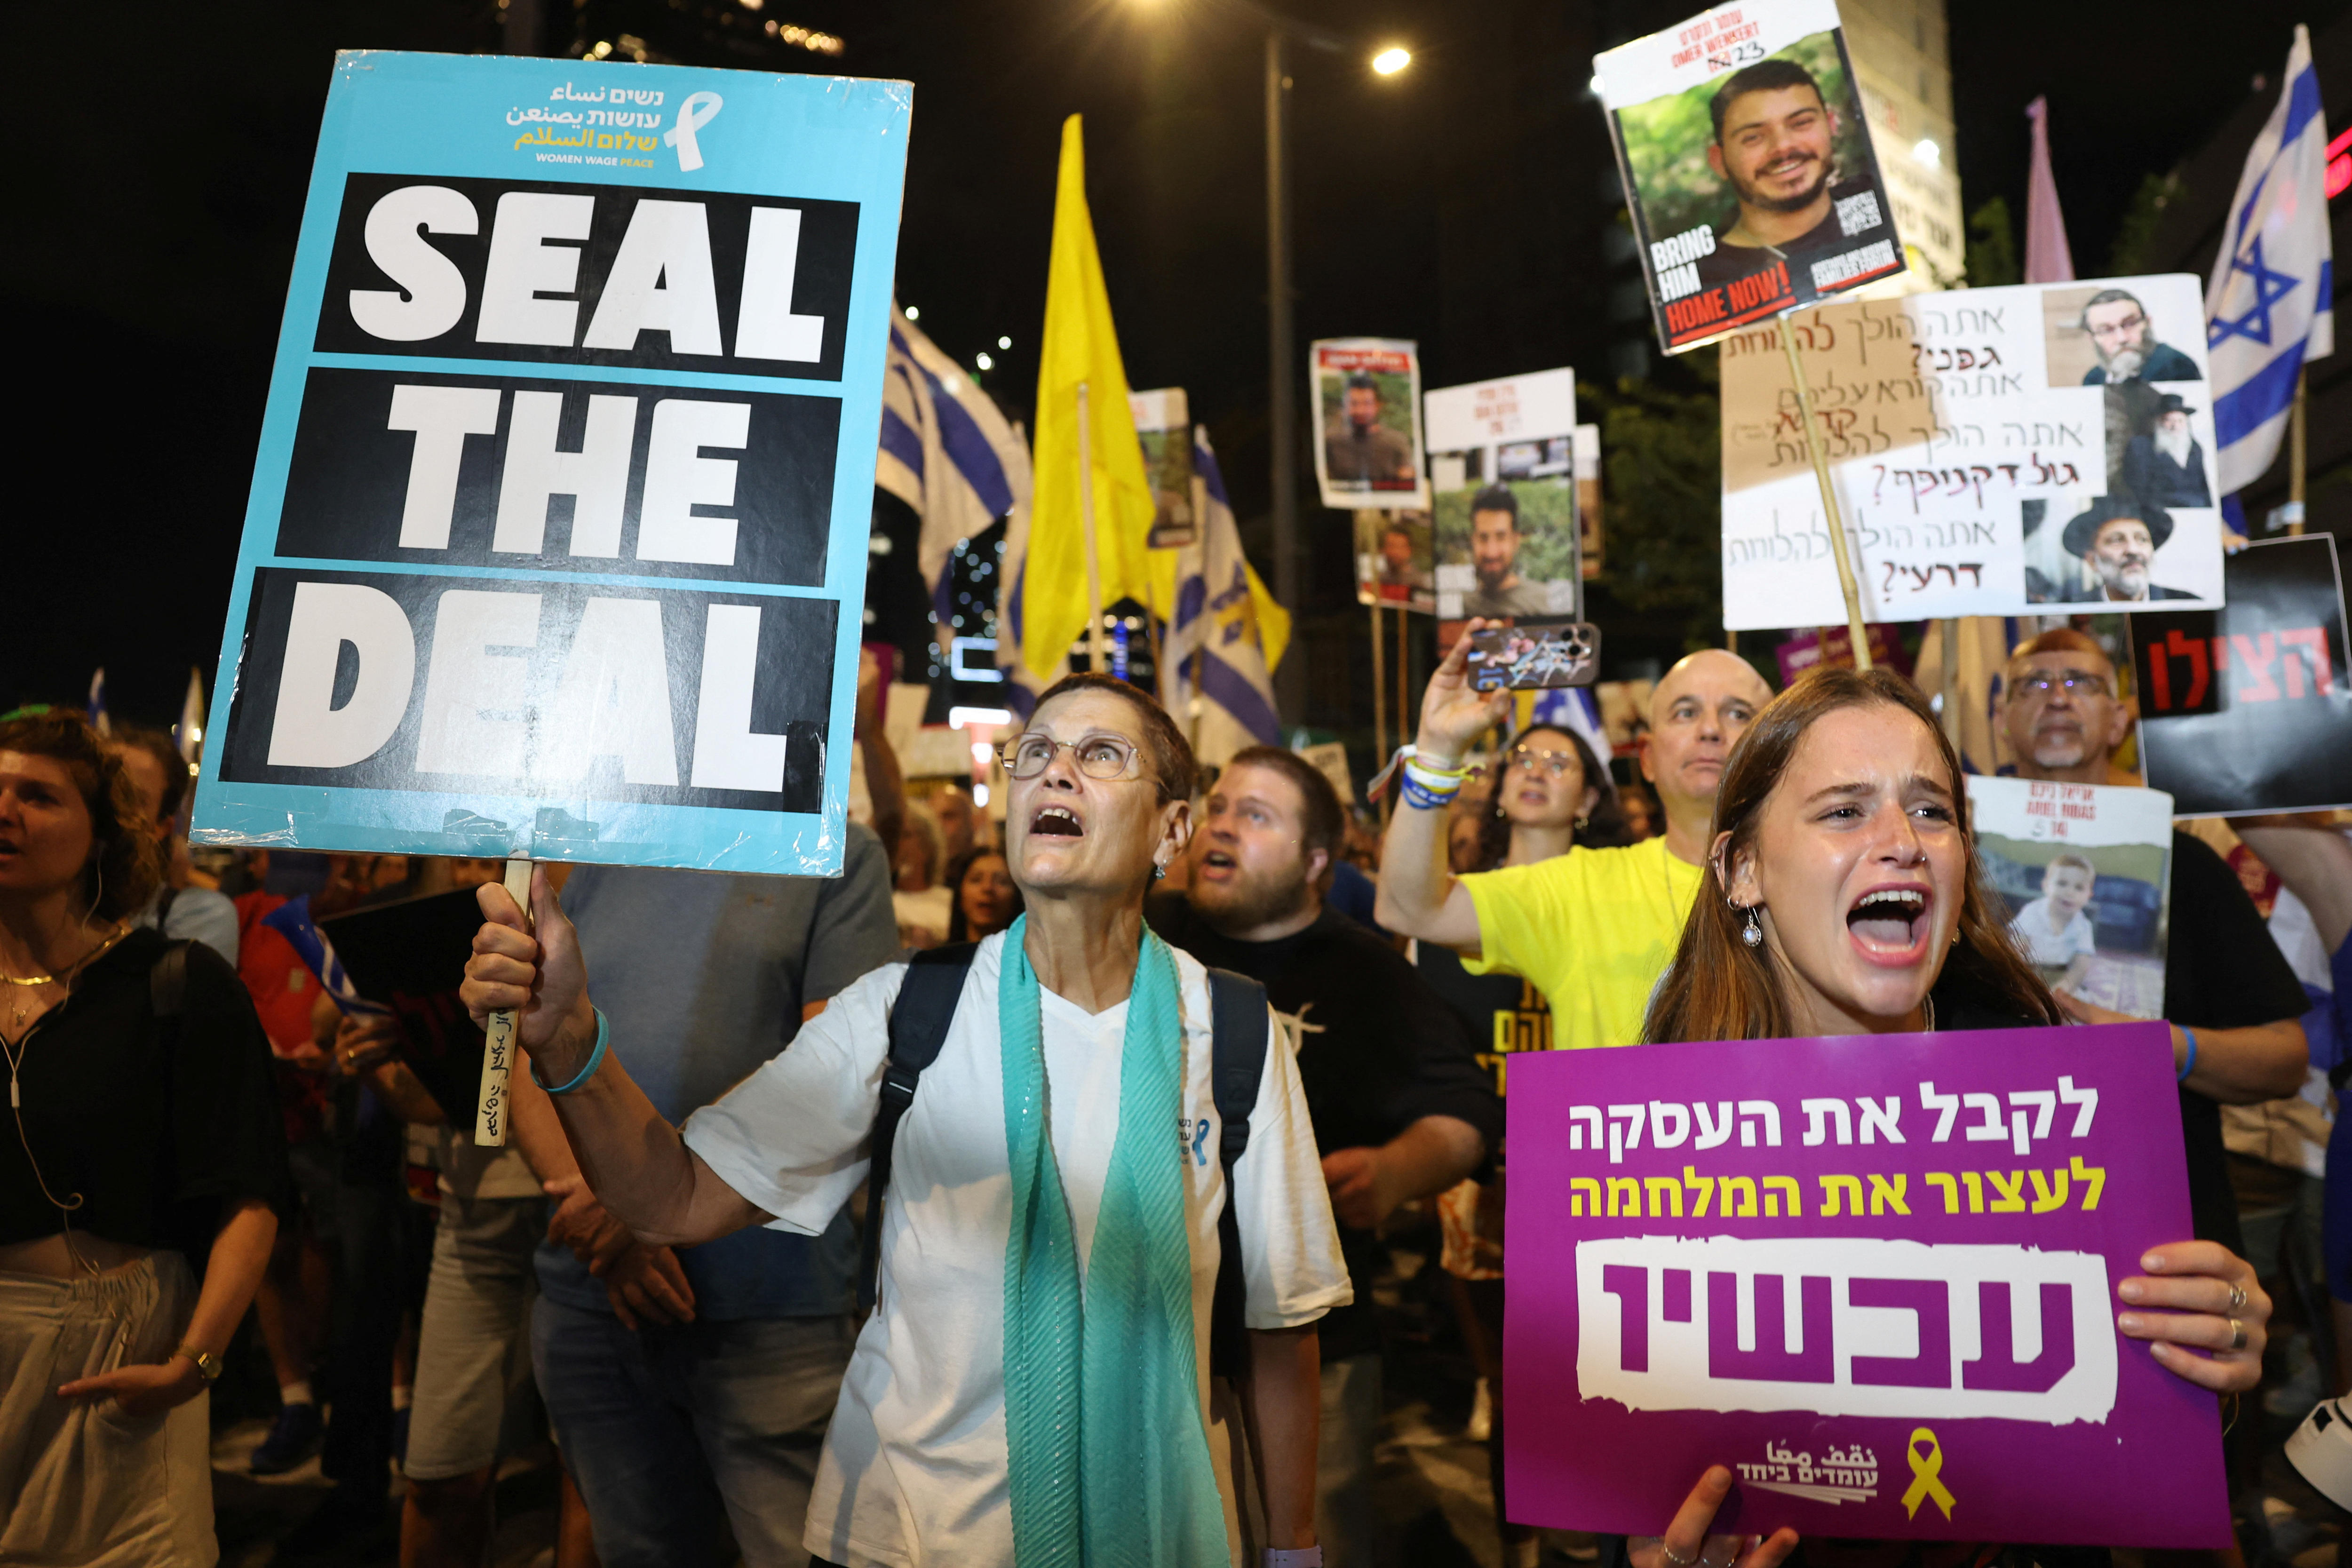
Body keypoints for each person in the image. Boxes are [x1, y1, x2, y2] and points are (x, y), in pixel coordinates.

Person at [460, 673, 1349, 1568]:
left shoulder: (1233, 1033)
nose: (1055, 773)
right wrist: (571, 1041)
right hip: (906, 1539)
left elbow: (1281, 1322)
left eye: (1101, 755)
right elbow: (674, 1198)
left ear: (1172, 830)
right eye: (1034, 753)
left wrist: (1294, 1549)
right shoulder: (904, 1013)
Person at [1634, 666, 2271, 1564]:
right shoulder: (1655, 1124)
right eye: (1845, 809)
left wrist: (2213, 1356)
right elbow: (1637, 1463)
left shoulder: (2052, 1082)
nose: (1903, 841)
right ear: (1743, 869)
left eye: (1932, 810)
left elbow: (2148, 1429)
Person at [1145, 746, 1501, 1568]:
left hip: (1317, 1348)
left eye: (1255, 814)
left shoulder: (1369, 973)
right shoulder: (1142, 932)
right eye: (1220, 805)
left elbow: (1467, 1110)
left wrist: (1396, 1169)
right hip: (1149, 1327)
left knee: (1310, 1545)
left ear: (1316, 862)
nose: (1223, 824)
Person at [520, 823, 902, 1568]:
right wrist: (609, 1213)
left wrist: (642, 1210)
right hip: (592, 1293)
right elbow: (523, 1031)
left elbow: (830, 1066)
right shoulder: (584, 841)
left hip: (767, 1303)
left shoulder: (832, 849)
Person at [0, 711, 287, 1565]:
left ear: (102, 837)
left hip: (120, 1358)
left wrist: (194, 1363)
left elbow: (253, 1191)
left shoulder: (175, 982)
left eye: (38, 795)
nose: (4, 809)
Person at [1999, 627, 2308, 1255]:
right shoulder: (1946, 869)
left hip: (2164, 1223)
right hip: (2002, 1216)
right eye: (2033, 684)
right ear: (2004, 720)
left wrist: (2165, 1048)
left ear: (2118, 722)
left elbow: (2287, 1057)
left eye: (2080, 682)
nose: (2056, 697)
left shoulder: (2186, 864)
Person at [1413, 723, 1629, 1568]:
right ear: (1498, 789)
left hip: (1595, 1184)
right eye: (1522, 759)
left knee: (1605, 1371)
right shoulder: (1445, 904)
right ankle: (1522, 1544)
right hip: (1486, 1176)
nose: (1536, 770)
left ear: (1589, 799)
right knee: (1515, 1377)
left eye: (1560, 761)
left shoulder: (1617, 900)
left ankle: (1599, 1521)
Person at [1375, 630, 1774, 1050]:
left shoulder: (1823, 879)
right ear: (1648, 758)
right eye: (1685, 712)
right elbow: (1408, 909)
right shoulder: (1583, 887)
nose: (1710, 729)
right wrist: (1438, 752)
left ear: (1775, 751)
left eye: (1738, 713)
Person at [1690, 57, 1890, 292]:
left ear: (1832, 125)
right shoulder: (1708, 281)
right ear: (1718, 161)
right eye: (1753, 137)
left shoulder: (1877, 203)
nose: (1783, 147)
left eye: (1801, 123)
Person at [107, 726, 238, 967]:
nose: (109, 807)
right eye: (101, 790)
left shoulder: (201, 915)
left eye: (130, 798)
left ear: (161, 827)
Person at [2055, 497, 2197, 602]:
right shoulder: (2075, 609)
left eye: (2142, 539)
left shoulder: (2186, 604)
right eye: (2117, 540)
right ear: (2092, 561)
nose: (2133, 550)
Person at [1459, 486, 1552, 619]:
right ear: (1473, 541)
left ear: (1515, 541)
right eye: (1483, 538)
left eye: (1501, 537)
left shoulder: (1542, 601)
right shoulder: (1464, 604)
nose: (1491, 552)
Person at [2080, 287, 2203, 384]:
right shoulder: (2094, 379)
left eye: (2130, 324)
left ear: (2148, 323)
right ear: (2091, 338)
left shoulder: (2175, 365)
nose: (2122, 338)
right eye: (2106, 330)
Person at [1325, 372, 1417, 489]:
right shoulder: (1332, 441)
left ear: (1378, 405)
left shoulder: (1396, 442)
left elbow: (1407, 478)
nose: (1360, 411)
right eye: (1354, 404)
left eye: (1367, 404)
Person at [2122, 392, 2215, 509]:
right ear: (2159, 422)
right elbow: (2137, 486)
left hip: (2195, 512)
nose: (2175, 426)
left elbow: (2203, 485)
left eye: (2180, 421)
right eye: (2169, 421)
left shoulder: (2195, 448)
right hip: (2158, 510)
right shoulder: (2141, 445)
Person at [2011, 851, 2100, 971]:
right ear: (2046, 886)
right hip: (2028, 967)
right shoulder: (2033, 912)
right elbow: (2018, 945)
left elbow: (2082, 965)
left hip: (2060, 971)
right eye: (2062, 884)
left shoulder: (2083, 926)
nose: (2070, 893)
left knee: (2073, 988)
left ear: (2089, 896)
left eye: (2079, 888)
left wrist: (2066, 986)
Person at [891, 801, 951, 948]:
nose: (898, 844)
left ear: (928, 844)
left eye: (906, 835)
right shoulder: (883, 902)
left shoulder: (952, 899)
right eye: (894, 836)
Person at [944, 843, 1022, 942]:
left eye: (1002, 881)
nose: (988, 888)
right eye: (976, 880)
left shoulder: (1030, 957)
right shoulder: (937, 957)